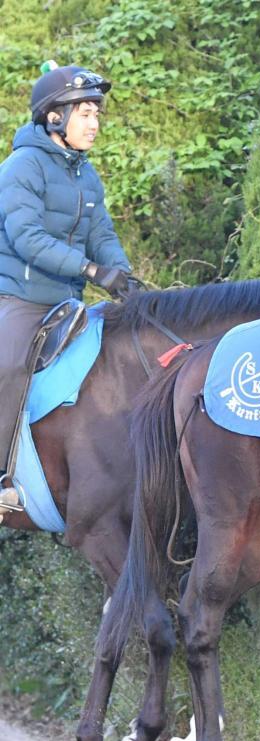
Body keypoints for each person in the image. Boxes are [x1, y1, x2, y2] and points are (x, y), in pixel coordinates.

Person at [0, 62, 131, 517]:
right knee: (8, 365)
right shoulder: (22, 166)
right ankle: (3, 479)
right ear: (54, 118)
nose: (95, 124)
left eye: (97, 114)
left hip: (65, 302)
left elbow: (103, 234)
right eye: (85, 114)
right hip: (19, 299)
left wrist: (123, 276)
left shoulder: (85, 174)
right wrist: (94, 271)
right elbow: (27, 238)